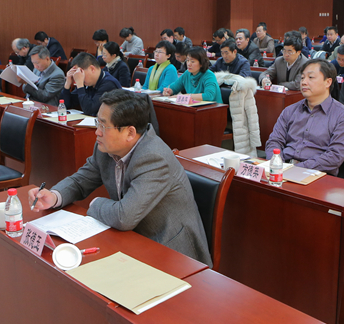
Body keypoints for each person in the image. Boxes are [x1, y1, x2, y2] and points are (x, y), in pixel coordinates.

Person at [29, 90, 212, 265]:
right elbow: (81, 180)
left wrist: (95, 204)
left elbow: (124, 217)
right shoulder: (105, 146)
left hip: (171, 250)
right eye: (97, 123)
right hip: (133, 237)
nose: (97, 132)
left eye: (103, 125)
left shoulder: (154, 158)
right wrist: (55, 196)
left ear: (130, 133)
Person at [265, 59, 344, 175]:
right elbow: (274, 141)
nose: (303, 82)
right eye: (302, 78)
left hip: (316, 174)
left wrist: (293, 170)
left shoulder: (343, 116)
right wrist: (278, 164)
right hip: (281, 168)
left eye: (311, 77)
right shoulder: (290, 110)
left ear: (328, 82)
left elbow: (334, 157)